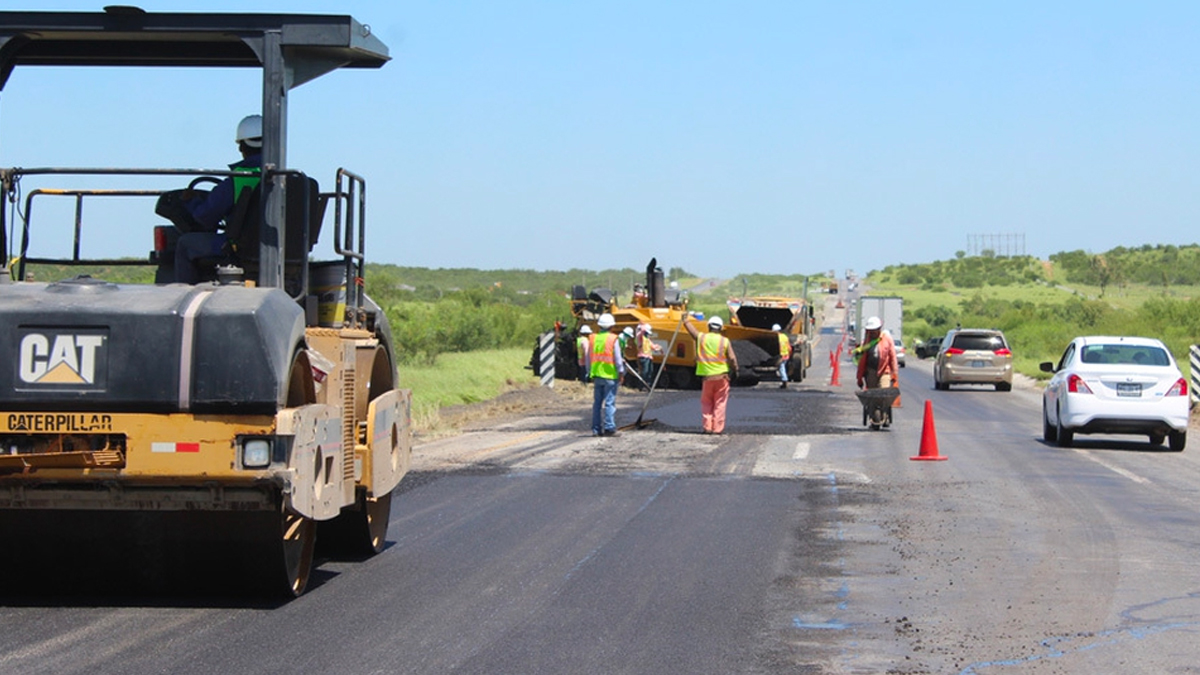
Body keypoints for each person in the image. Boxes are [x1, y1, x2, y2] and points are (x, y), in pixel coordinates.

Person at [173, 114, 263, 283]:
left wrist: (191, 202)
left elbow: (204, 217)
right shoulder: (286, 179)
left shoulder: (235, 181)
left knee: (185, 244)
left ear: (242, 146)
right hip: (281, 250)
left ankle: (184, 297)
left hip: (239, 249)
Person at [685, 315, 739, 435]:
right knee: (720, 403)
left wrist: (686, 321)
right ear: (720, 328)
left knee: (707, 402)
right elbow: (732, 357)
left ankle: (707, 427)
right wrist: (735, 369)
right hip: (722, 377)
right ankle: (717, 429)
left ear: (709, 326)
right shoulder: (724, 341)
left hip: (707, 378)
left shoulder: (702, 338)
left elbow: (693, 333)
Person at [590, 313, 626, 437]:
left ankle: (596, 429)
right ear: (611, 326)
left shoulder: (594, 338)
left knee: (597, 404)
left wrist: (590, 372)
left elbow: (590, 357)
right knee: (610, 403)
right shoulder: (613, 339)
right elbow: (617, 358)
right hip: (610, 375)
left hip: (597, 375)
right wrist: (621, 372)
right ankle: (609, 428)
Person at [855, 316, 899, 391]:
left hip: (884, 370)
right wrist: (859, 377)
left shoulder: (887, 339)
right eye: (870, 331)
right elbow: (862, 361)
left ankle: (883, 403)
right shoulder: (867, 342)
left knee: (883, 392)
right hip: (871, 372)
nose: (872, 333)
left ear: (879, 329)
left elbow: (893, 358)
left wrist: (894, 374)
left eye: (874, 331)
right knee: (873, 394)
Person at [635, 323, 663, 390]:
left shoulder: (647, 339)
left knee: (650, 371)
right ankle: (642, 385)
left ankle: (648, 385)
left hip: (649, 357)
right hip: (643, 357)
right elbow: (641, 332)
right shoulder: (640, 337)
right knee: (645, 371)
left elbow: (652, 346)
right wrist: (643, 325)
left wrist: (658, 347)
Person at [773, 323, 792, 389]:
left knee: (781, 368)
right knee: (783, 367)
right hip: (786, 354)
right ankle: (784, 380)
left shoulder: (776, 338)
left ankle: (785, 380)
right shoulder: (784, 336)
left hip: (781, 355)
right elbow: (789, 347)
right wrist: (789, 353)